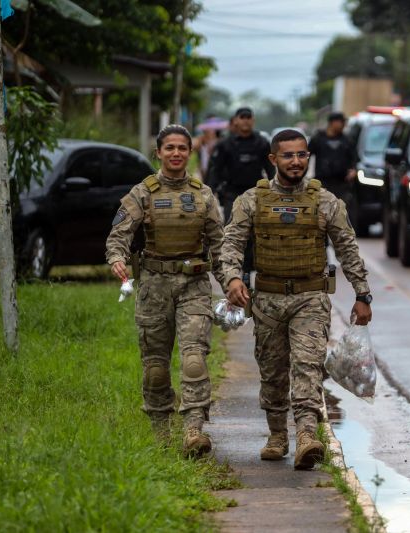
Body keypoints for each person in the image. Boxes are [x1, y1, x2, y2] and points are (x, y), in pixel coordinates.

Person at [220, 128, 373, 470]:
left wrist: (362, 294)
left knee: (307, 365)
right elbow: (231, 243)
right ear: (273, 159)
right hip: (268, 301)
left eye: (301, 154)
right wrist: (232, 278)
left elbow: (348, 250)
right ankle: (277, 435)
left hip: (311, 299)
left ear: (308, 157)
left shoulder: (326, 202)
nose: (295, 161)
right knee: (273, 372)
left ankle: (306, 435)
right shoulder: (251, 201)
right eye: (287, 155)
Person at [106, 124, 225, 458]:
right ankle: (161, 433)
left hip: (194, 285)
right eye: (169, 148)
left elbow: (219, 245)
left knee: (194, 358)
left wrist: (231, 281)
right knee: (156, 366)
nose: (175, 153)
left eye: (182, 148)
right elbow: (118, 234)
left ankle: (193, 431)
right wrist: (117, 258)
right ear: (158, 152)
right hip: (154, 287)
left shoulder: (203, 195)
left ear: (190, 152)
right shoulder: (142, 193)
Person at [207, 107, 275, 222]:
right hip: (232, 194)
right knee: (231, 227)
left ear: (253, 120)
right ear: (235, 121)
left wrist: (274, 190)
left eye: (248, 117)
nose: (245, 120)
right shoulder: (225, 144)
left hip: (256, 193)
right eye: (242, 117)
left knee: (257, 228)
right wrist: (209, 193)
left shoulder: (262, 143)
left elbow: (270, 169)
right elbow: (215, 169)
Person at [308, 112, 357, 221]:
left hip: (342, 183)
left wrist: (354, 170)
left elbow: (354, 158)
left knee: (341, 213)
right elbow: (307, 155)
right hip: (323, 182)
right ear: (333, 122)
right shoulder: (318, 138)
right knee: (322, 213)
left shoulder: (347, 140)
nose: (343, 125)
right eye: (341, 122)